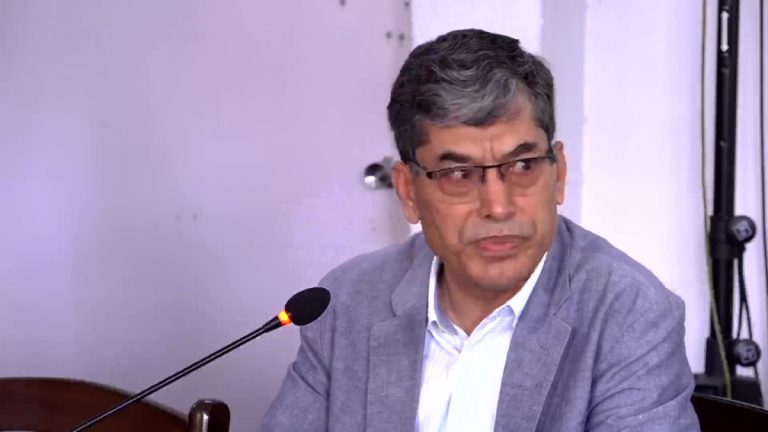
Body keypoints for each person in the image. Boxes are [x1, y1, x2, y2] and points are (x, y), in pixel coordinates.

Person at [259, 28, 700, 432]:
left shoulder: (630, 315)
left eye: (523, 166)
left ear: (559, 174)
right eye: (458, 174)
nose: (498, 206)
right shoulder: (347, 301)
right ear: (408, 192)